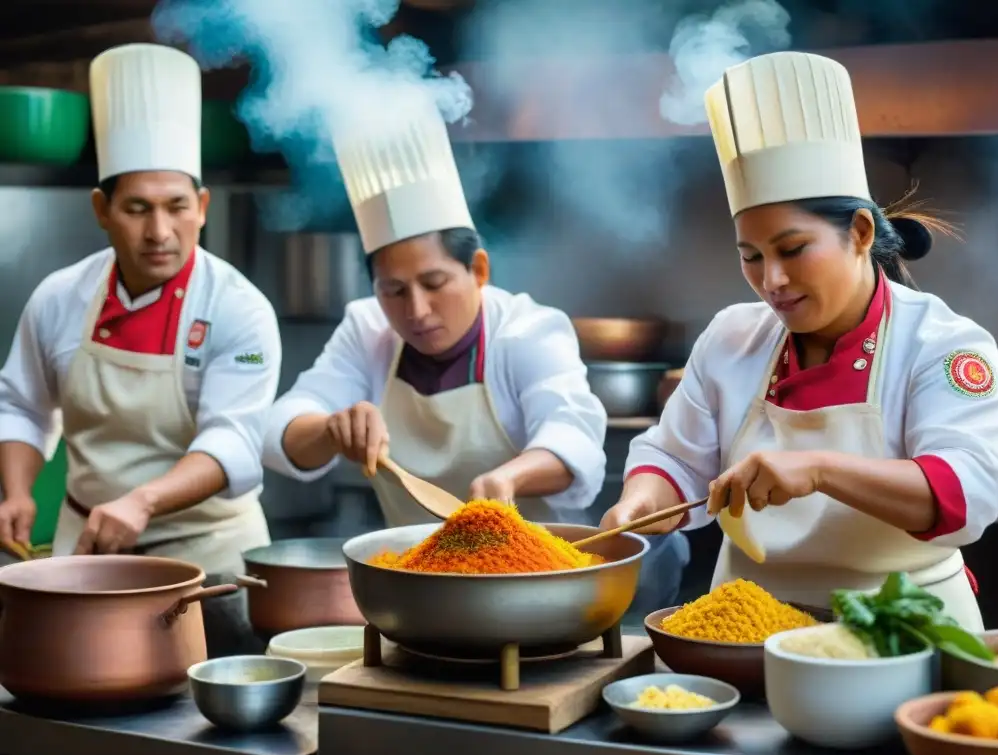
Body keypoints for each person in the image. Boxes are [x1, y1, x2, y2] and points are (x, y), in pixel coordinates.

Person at [600, 51, 998, 631]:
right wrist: (643, 500)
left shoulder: (942, 346)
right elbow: (673, 457)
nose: (771, 280)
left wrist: (819, 468)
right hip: (743, 630)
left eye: (793, 250)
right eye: (751, 257)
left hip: (904, 633)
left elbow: (964, 496)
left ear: (861, 234)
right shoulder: (731, 339)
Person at [0, 43, 281, 579]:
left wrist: (144, 501)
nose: (159, 231)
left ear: (201, 207)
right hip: (87, 548)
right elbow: (22, 405)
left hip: (210, 555)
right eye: (137, 209)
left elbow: (232, 440)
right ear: (101, 211)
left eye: (176, 207)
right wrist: (17, 491)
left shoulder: (238, 308)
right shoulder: (60, 296)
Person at [262, 96, 607, 529]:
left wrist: (508, 479)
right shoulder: (367, 329)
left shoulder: (528, 331)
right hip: (418, 577)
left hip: (538, 572)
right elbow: (279, 431)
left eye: (434, 284)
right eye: (394, 290)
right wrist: (332, 427)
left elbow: (575, 439)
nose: (417, 310)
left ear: (478, 269)